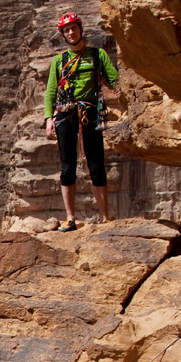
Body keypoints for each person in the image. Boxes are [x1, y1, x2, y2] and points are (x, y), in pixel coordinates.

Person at [44, 12, 118, 231]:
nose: (70, 32)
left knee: (96, 162)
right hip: (65, 113)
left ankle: (105, 217)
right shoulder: (59, 61)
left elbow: (114, 79)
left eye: (73, 28)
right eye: (66, 30)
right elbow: (50, 91)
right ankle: (70, 218)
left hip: (90, 110)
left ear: (80, 29)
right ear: (63, 35)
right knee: (68, 165)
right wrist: (49, 118)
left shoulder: (97, 55)